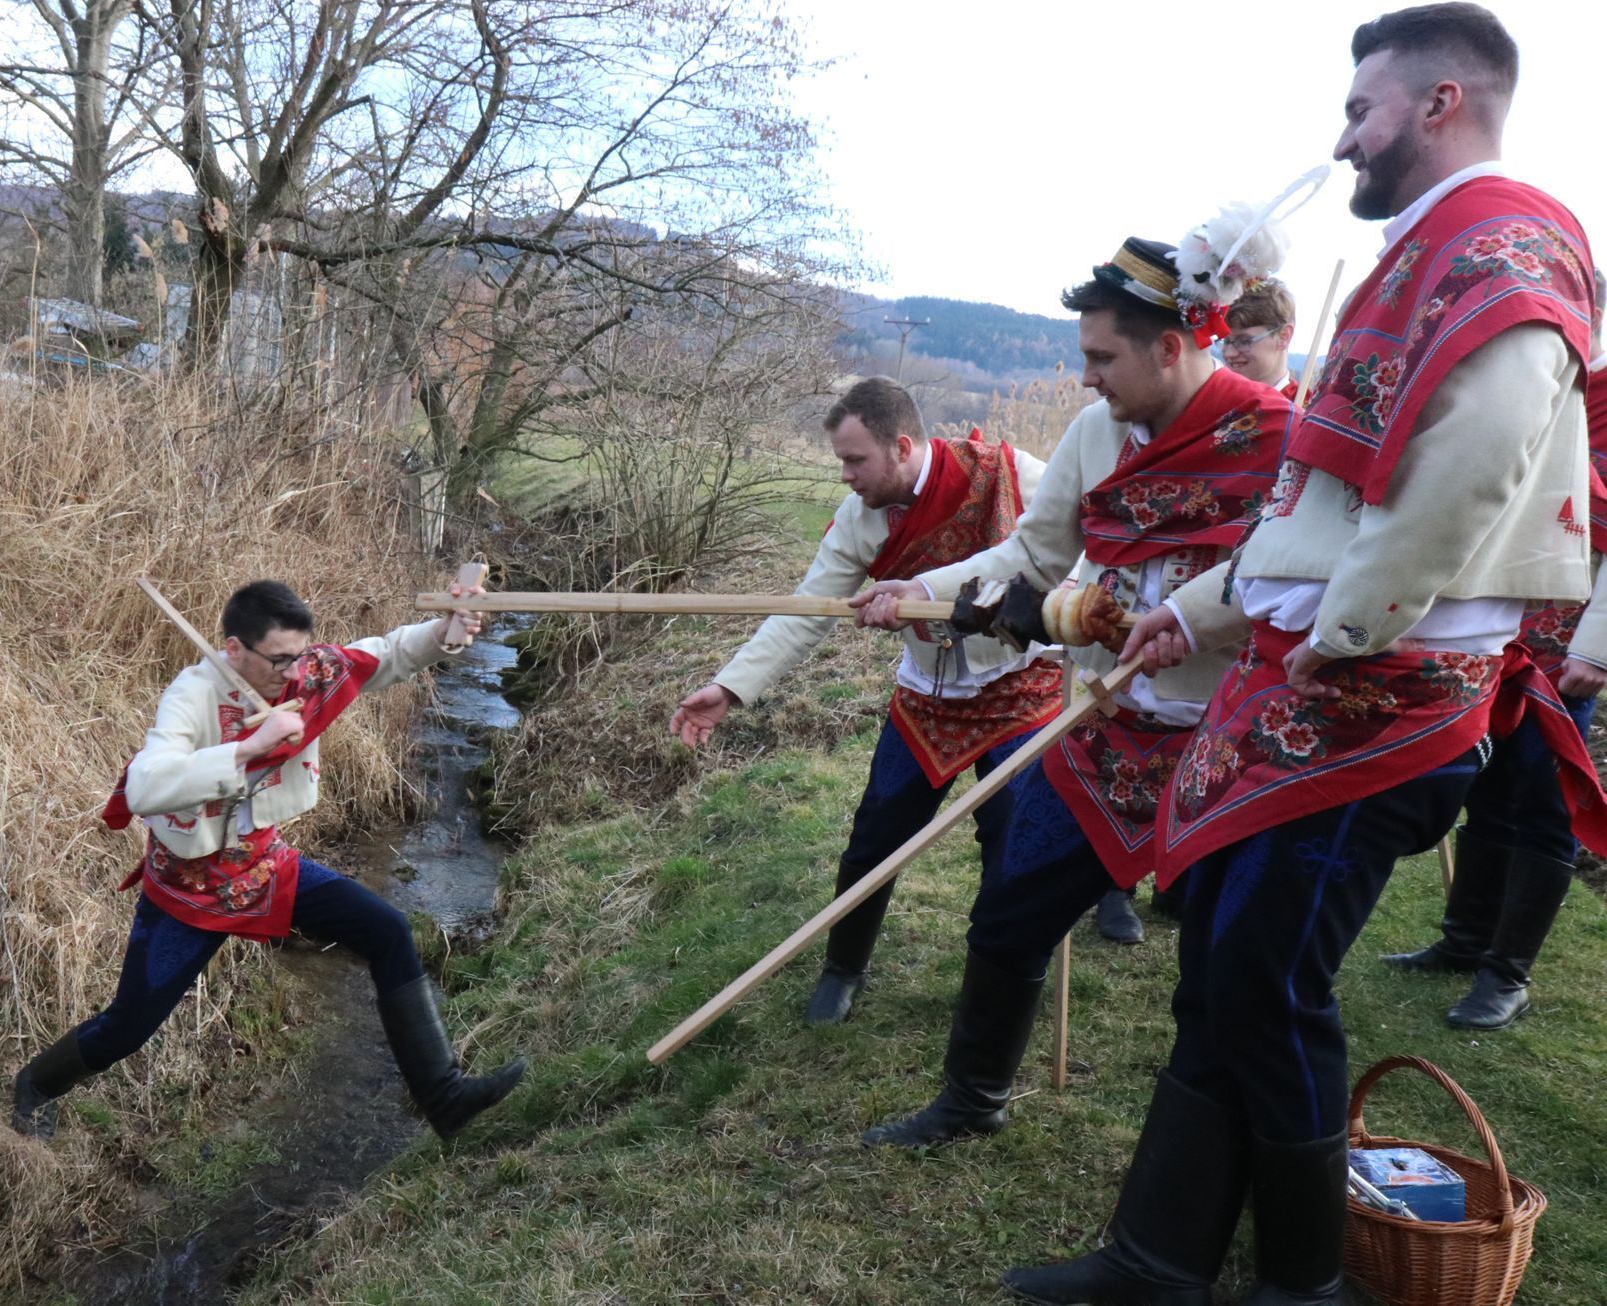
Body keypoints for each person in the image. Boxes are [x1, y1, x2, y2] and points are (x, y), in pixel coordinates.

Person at [1003, 8, 1605, 1304]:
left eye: (1360, 110)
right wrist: (1208, 612)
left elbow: (1472, 470)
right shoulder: (1423, 254)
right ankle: (1156, 1258)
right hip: (1311, 682)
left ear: (1441, 101)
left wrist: (1329, 639)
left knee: (1270, 984)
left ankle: (1300, 1282)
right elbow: (1311, 513)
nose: (1343, 139)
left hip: (1377, 703)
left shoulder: (1506, 244)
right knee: (1225, 959)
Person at [849, 234, 1292, 1147]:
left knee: (1223, 966)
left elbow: (1294, 581)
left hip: (1232, 742)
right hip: (1104, 722)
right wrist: (923, 594)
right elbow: (1032, 557)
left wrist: (1197, 623)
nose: (1086, 378)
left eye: (1101, 358)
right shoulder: (1095, 434)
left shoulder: (1281, 441)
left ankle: (1212, 1158)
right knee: (1009, 914)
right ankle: (972, 1102)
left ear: (1169, 346)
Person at [11, 579, 526, 1142]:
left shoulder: (303, 674)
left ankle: (443, 1097)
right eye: (280, 659)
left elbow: (379, 656)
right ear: (235, 649)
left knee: (389, 931)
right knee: (127, 1029)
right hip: (191, 887)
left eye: (300, 655)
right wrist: (249, 747)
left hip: (264, 866)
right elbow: (145, 785)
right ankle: (35, 1085)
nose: (294, 671)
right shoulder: (193, 693)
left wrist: (444, 634)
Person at [669, 377, 1062, 1024]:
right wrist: (730, 688)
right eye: (841, 462)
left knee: (1016, 844)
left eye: (855, 460)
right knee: (874, 836)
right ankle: (843, 967)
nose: (846, 476)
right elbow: (806, 612)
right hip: (927, 695)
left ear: (902, 446)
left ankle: (997, 984)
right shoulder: (860, 521)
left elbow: (1071, 561)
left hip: (1019, 688)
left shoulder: (1015, 475)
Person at [1382, 266, 1607, 1029]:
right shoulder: (1542, 391)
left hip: (1568, 641)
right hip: (1495, 632)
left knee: (1541, 804)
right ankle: (1464, 938)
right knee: (1486, 791)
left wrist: (1599, 650)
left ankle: (1507, 975)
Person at [1220, 280, 1300, 399]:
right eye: (1226, 341)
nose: (1229, 353)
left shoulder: (1310, 412)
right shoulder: (1211, 400)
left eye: (1244, 341)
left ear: (1284, 336)